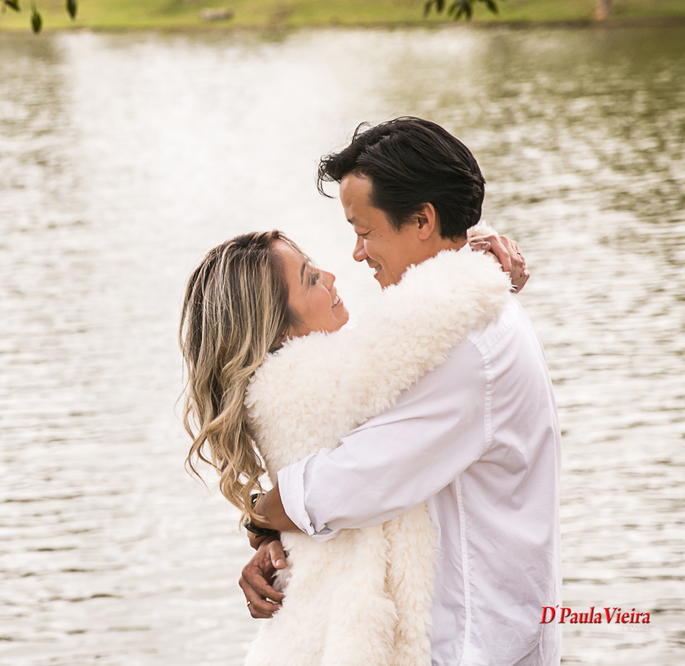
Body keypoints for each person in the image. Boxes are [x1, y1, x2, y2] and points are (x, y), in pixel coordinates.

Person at [234, 118, 560, 665]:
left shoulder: (465, 347)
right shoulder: (442, 322)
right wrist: (276, 542)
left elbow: (348, 483)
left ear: (423, 220)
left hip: (474, 641)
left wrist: (260, 517)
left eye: (364, 230)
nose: (356, 254)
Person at [181, 227, 517, 665]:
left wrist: (266, 524)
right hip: (333, 637)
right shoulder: (310, 381)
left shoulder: (289, 380)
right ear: (278, 326)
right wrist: (480, 263)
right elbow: (421, 326)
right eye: (309, 279)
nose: (331, 276)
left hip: (312, 627)